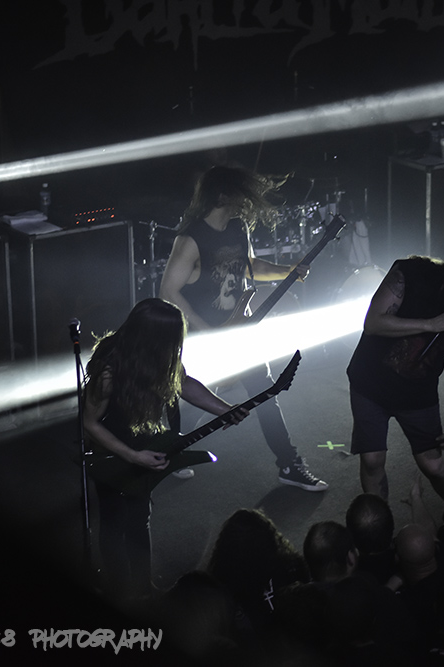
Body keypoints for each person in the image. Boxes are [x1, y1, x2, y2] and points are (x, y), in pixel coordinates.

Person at [159, 164, 327, 491]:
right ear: (221, 195)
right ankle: (169, 449)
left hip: (238, 331)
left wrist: (287, 270)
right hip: (206, 336)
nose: (246, 200)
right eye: (238, 192)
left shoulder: (238, 228)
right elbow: (168, 291)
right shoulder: (191, 239)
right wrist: (207, 331)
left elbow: (252, 268)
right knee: (208, 395)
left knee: (261, 392)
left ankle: (288, 465)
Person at [82, 298, 248, 599]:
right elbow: (91, 424)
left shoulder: (161, 356)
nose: (177, 347)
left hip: (142, 444)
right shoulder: (109, 370)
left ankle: (144, 588)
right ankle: (120, 593)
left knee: (139, 516)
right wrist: (133, 456)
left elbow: (183, 383)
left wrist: (224, 409)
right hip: (110, 453)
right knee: (113, 521)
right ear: (153, 338)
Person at [346, 255, 444, 501]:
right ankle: (378, 529)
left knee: (433, 466)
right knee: (372, 460)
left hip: (417, 394)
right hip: (370, 383)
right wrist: (430, 324)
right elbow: (373, 323)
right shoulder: (411, 275)